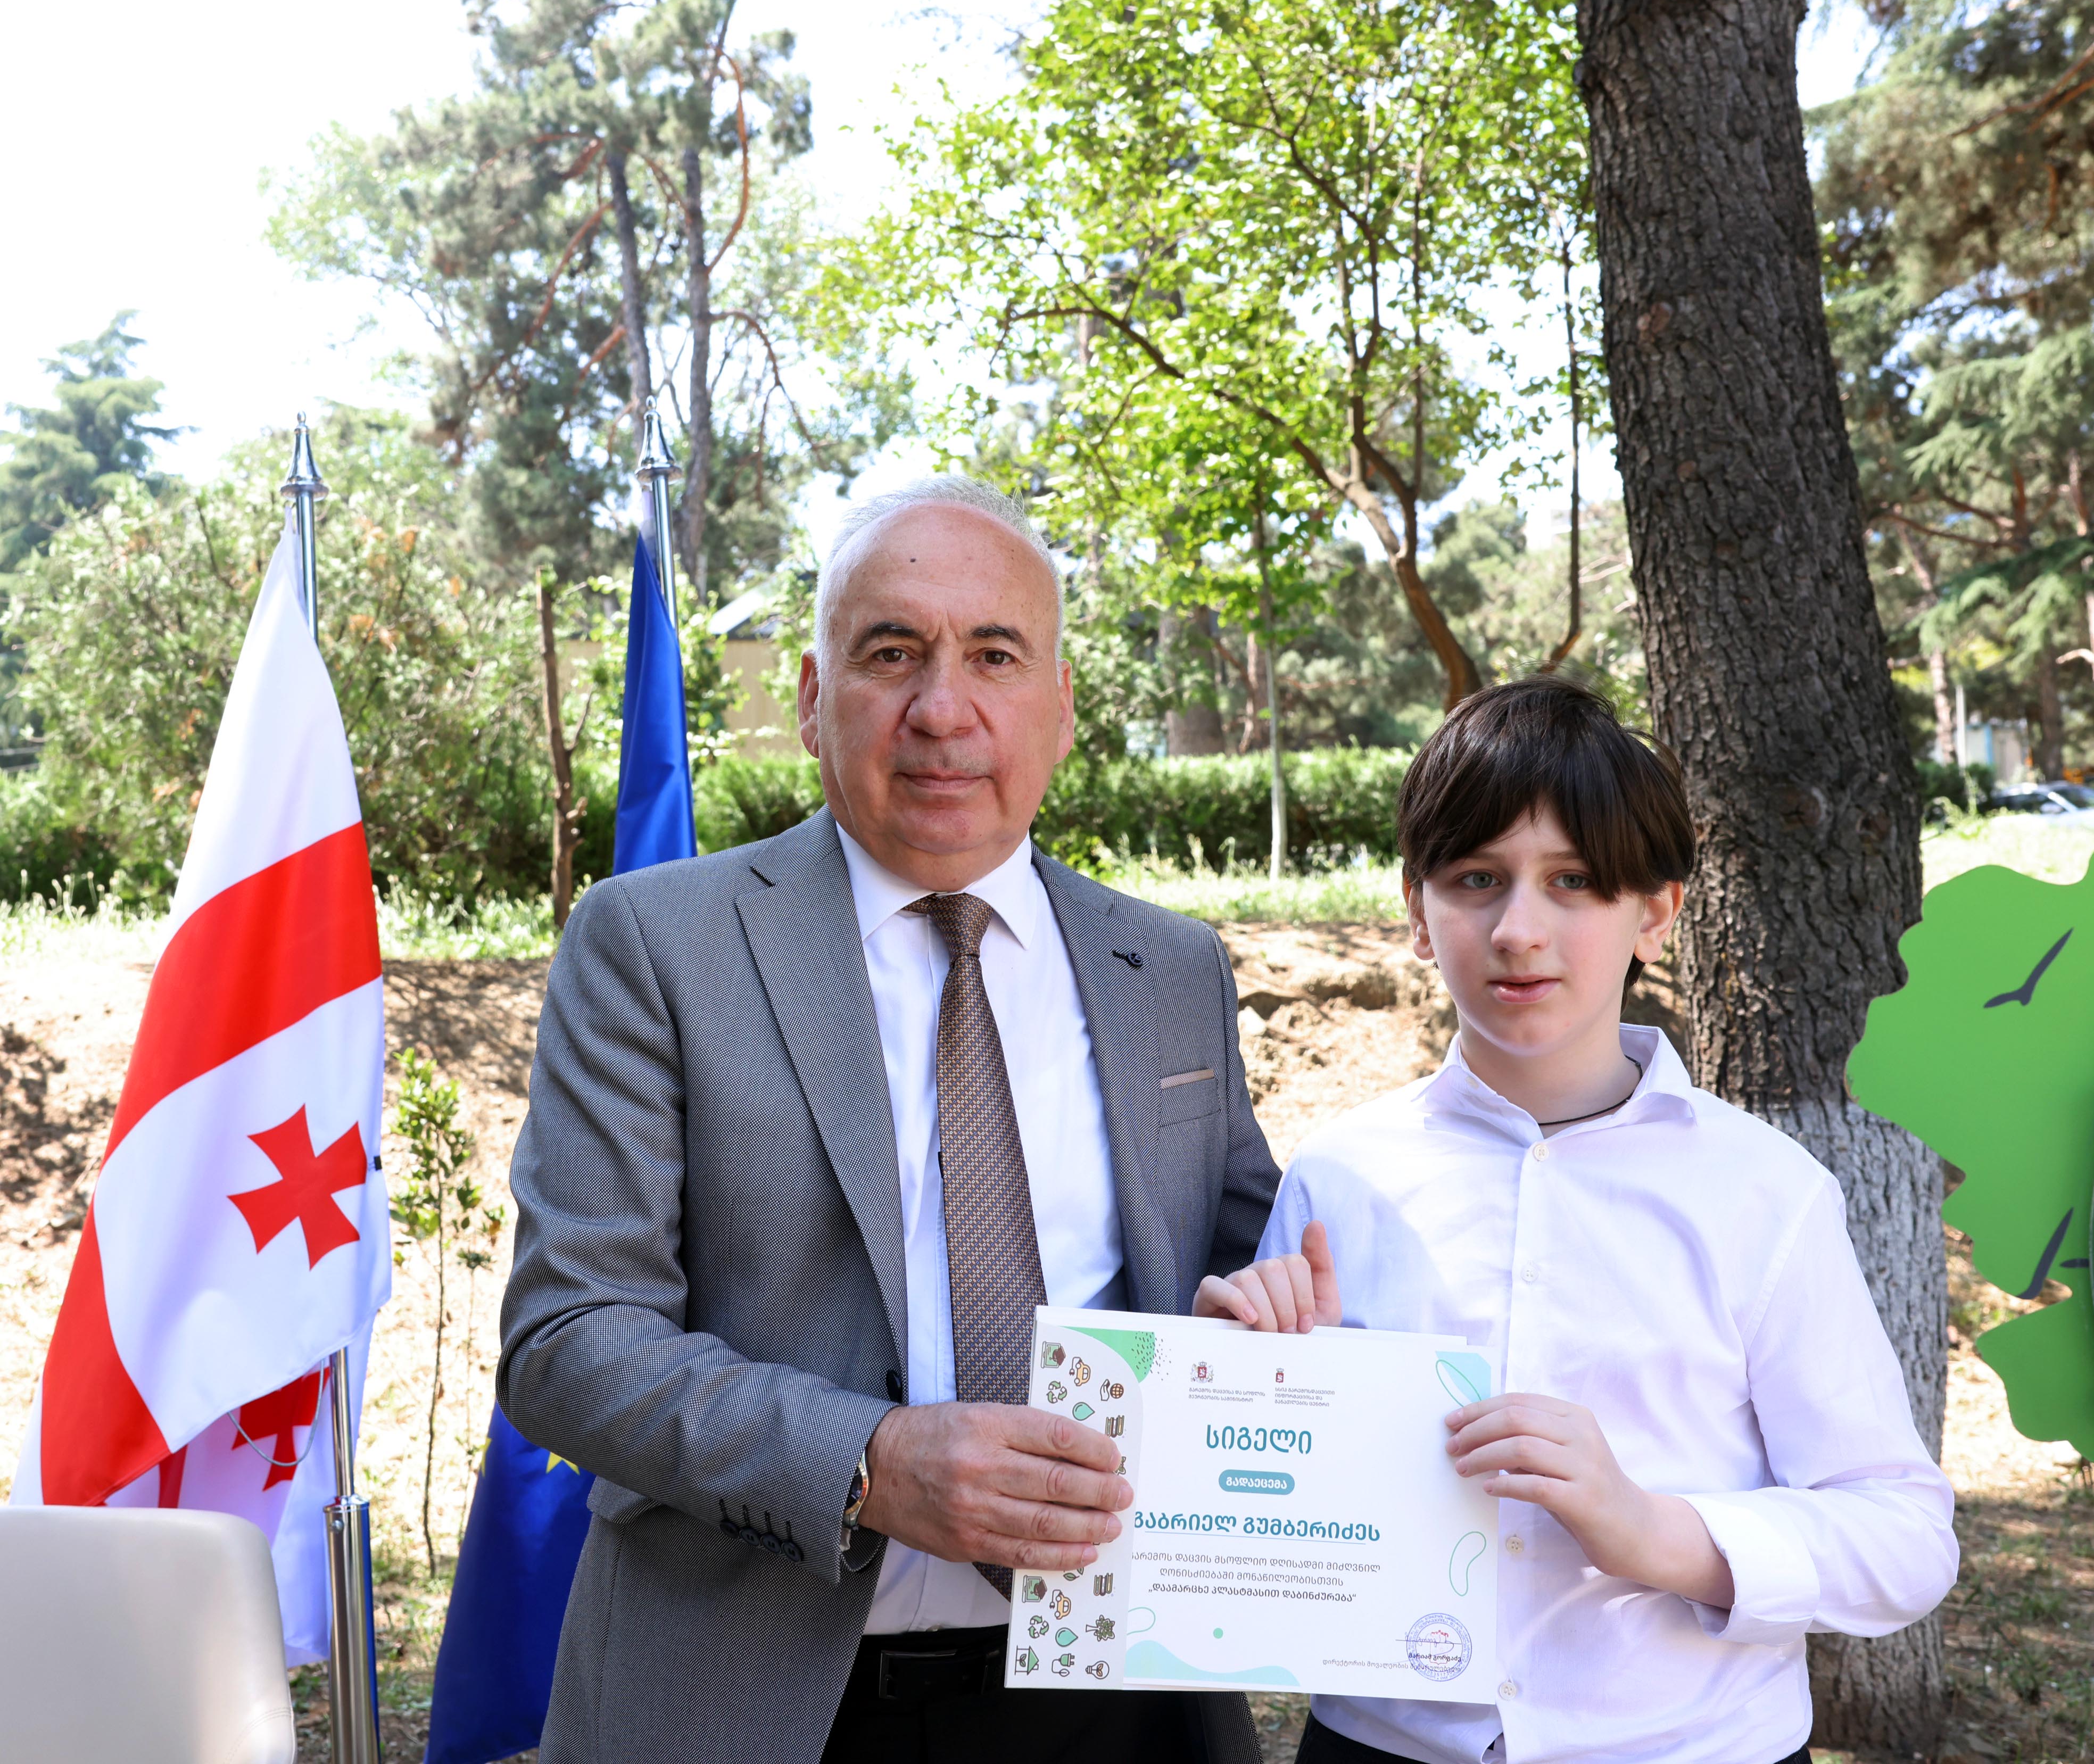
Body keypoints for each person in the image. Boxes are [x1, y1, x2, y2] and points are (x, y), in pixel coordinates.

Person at [496, 475, 1304, 1764]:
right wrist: (870, 1463)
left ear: (1060, 705)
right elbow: (572, 1338)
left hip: (1119, 1695)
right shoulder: (655, 944)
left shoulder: (1171, 967)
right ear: (813, 698)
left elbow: (1246, 1266)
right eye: (890, 653)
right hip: (756, 1703)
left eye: (995, 654)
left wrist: (1276, 1316)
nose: (942, 708)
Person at [1198, 677, 1957, 1764]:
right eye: (1476, 879)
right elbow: (1270, 1517)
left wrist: (1653, 1528)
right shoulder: (1340, 1174)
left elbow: (1903, 1536)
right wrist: (1234, 1389)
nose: (1519, 930)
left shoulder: (1764, 1192)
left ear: (1655, 912)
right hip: (1380, 1746)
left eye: (1574, 882)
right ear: (1416, 909)